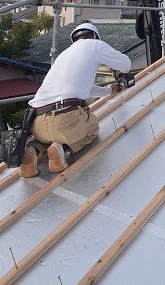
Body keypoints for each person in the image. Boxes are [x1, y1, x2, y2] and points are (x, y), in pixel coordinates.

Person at [19, 22, 131, 177]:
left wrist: (107, 91)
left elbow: (86, 87)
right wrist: (118, 70)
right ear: (94, 36)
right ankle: (61, 148)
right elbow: (126, 64)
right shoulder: (95, 45)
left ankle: (31, 151)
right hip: (65, 119)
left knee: (44, 137)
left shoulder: (64, 55)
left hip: (36, 121)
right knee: (92, 127)